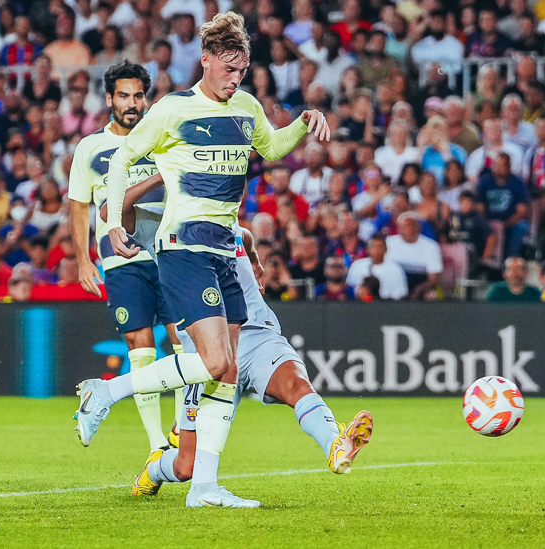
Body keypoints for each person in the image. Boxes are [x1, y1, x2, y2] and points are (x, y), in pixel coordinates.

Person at [74, 13, 331, 509]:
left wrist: (301, 123)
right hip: (182, 247)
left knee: (226, 371)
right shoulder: (173, 109)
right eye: (227, 69)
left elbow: (271, 147)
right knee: (214, 362)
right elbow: (124, 157)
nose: (235, 79)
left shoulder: (247, 107)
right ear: (206, 62)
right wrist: (111, 226)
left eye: (242, 70)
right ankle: (104, 394)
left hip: (222, 251)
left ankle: (204, 488)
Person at [112, 176, 371, 496]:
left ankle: (335, 443)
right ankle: (154, 469)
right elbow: (114, 208)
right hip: (209, 351)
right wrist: (163, 175)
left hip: (256, 332)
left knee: (296, 385)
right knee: (186, 466)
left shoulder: (223, 217)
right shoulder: (161, 225)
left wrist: (255, 261)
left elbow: (244, 236)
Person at [66, 60, 183, 458]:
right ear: (109, 99)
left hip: (169, 251)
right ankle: (157, 447)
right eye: (124, 96)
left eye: (138, 95)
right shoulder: (90, 147)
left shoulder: (163, 139)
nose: (132, 103)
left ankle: (184, 423)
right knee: (140, 346)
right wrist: (83, 259)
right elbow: (81, 207)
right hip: (120, 258)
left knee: (187, 342)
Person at [386, 212, 443, 300]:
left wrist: (418, 290)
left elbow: (434, 279)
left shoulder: (431, 246)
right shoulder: (389, 243)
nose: (405, 229)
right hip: (393, 283)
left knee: (431, 296)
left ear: (417, 227)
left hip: (420, 284)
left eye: (408, 226)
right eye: (402, 226)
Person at [347, 233, 408, 300]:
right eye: (373, 247)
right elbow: (349, 289)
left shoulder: (395, 269)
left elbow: (400, 295)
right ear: (367, 249)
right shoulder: (357, 266)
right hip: (361, 304)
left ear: (386, 249)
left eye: (379, 247)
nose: (376, 250)